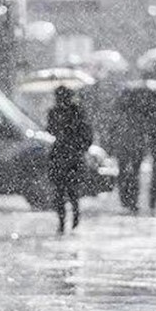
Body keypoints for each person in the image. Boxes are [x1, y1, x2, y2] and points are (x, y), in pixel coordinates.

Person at [46, 86, 92, 234]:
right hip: (61, 155)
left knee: (70, 191)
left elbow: (86, 134)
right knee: (60, 192)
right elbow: (50, 130)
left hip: (71, 156)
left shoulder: (77, 112)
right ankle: (62, 221)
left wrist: (77, 145)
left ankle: (74, 216)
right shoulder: (54, 112)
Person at [108, 93, 149, 211]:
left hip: (123, 150)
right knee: (134, 175)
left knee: (123, 174)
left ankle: (125, 199)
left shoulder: (120, 117)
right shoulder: (140, 118)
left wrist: (111, 148)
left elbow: (112, 134)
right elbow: (144, 135)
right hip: (135, 150)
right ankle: (132, 200)